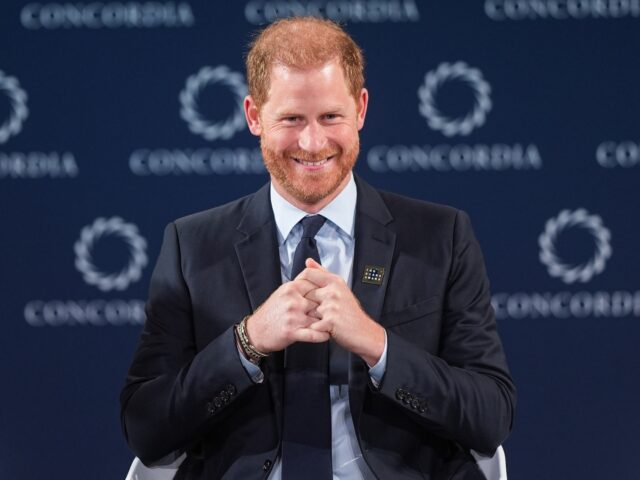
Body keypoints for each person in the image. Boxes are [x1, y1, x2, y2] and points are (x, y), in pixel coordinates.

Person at [120, 16, 516, 480]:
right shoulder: (192, 246)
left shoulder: (440, 236)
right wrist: (246, 342)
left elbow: (491, 416)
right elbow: (146, 427)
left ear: (362, 109)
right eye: (291, 119)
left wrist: (378, 345)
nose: (312, 143)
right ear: (254, 116)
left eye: (331, 117)